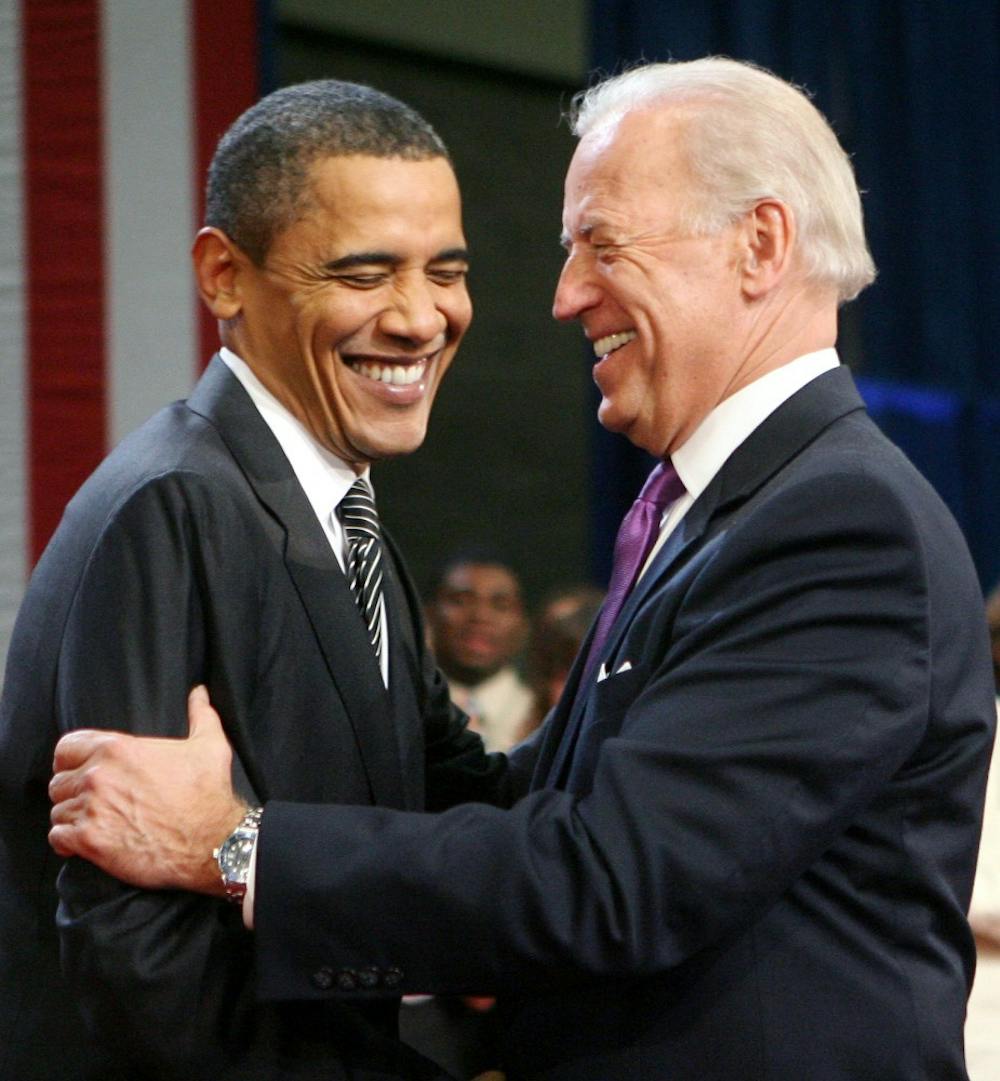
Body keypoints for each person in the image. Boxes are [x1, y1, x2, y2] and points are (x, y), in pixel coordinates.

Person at [48, 57, 996, 1081]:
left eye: (599, 244)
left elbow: (605, 878)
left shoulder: (840, 525)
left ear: (757, 245)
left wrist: (235, 844)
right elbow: (534, 804)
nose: (563, 296)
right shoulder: (729, 507)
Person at [0, 79, 509, 1081]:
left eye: (444, 271)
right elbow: (139, 967)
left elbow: (454, 799)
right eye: (365, 274)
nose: (420, 318)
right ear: (224, 274)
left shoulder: (343, 518)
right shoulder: (174, 507)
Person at [425, 552, 534, 752]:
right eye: (460, 601)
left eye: (501, 605)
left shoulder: (545, 719)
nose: (480, 616)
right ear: (429, 614)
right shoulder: (402, 714)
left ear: (523, 624)